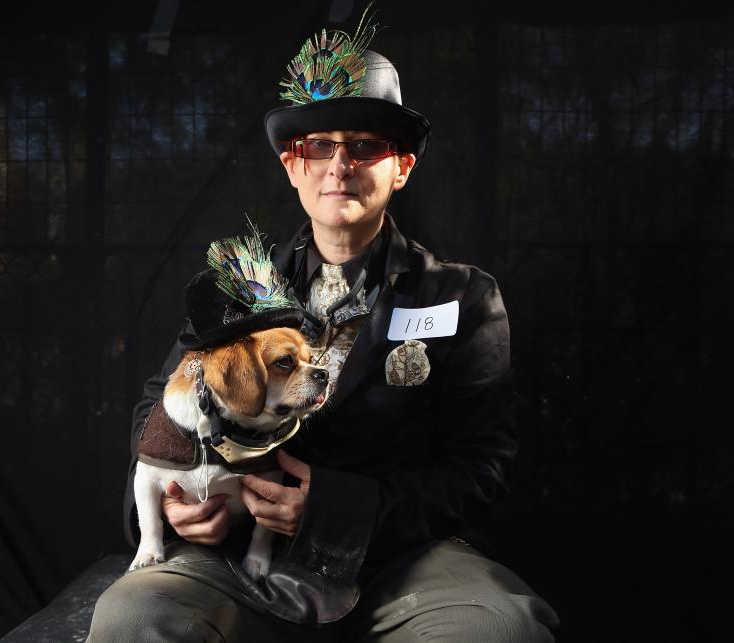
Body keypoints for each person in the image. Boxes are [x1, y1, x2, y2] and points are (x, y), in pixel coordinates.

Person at [89, 10, 559, 642]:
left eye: (365, 146)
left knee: (500, 629)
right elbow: (162, 401)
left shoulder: (462, 297)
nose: (340, 165)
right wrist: (175, 507)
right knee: (135, 619)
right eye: (320, 146)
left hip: (397, 555)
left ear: (402, 169)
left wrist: (339, 512)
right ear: (294, 166)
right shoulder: (234, 291)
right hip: (238, 554)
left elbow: (482, 469)